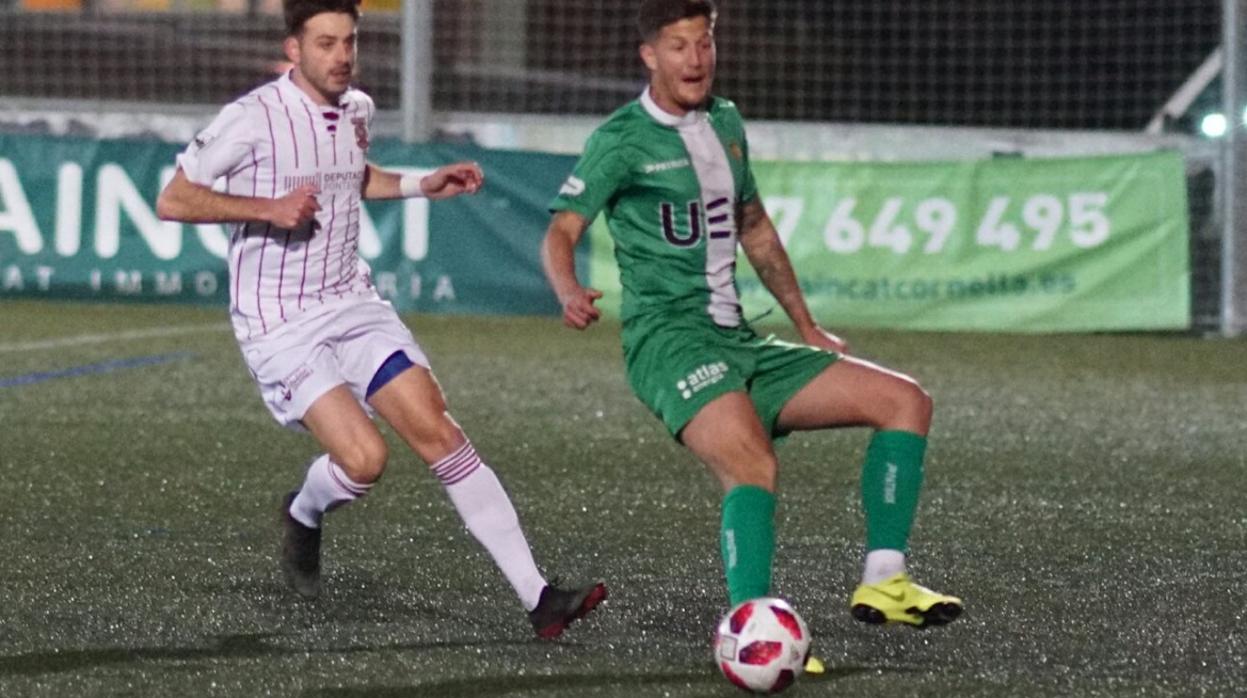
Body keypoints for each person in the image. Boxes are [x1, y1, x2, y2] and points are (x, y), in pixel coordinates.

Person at [156, 0, 605, 639]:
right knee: (364, 462)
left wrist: (425, 184)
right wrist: (268, 208)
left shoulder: (358, 109)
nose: (341, 56)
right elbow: (173, 198)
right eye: (325, 43)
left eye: (349, 42)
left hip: (353, 304)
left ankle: (540, 600)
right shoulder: (251, 119)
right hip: (280, 322)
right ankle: (304, 513)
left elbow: (352, 177)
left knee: (440, 432)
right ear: (293, 50)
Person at [541, 0, 961, 634]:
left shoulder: (727, 122)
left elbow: (755, 228)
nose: (696, 59)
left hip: (737, 341)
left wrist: (807, 326)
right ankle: (752, 625)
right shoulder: (620, 140)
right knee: (752, 465)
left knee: (905, 401)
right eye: (679, 46)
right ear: (649, 55)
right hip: (670, 343)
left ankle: (885, 579)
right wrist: (568, 287)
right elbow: (561, 230)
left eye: (704, 42)